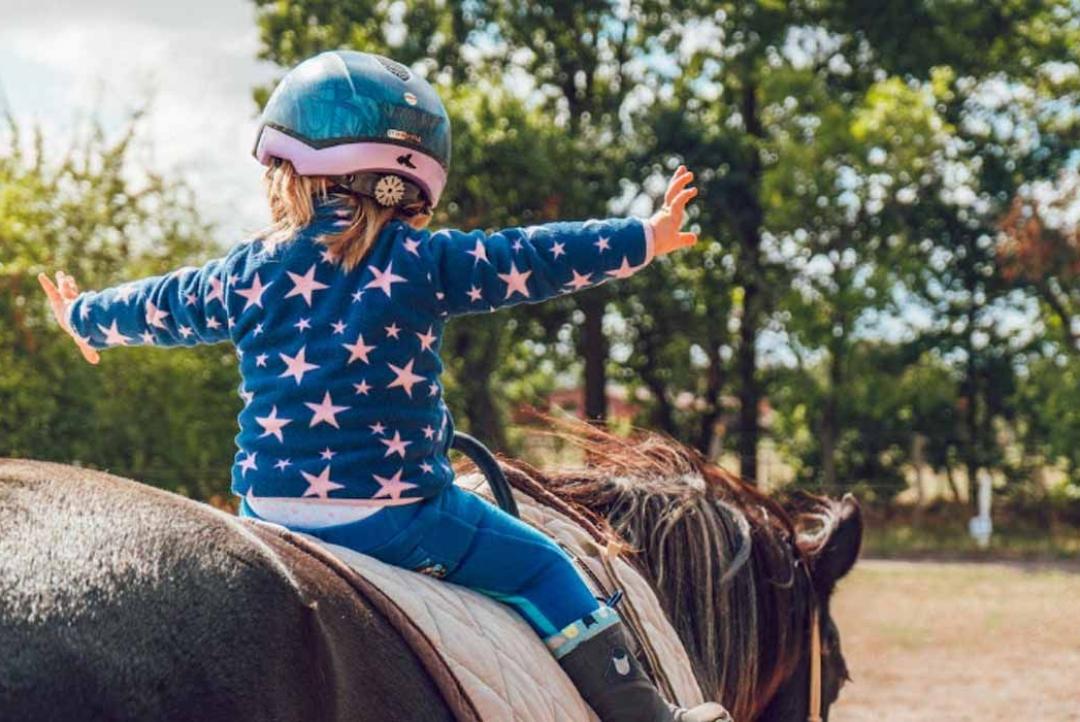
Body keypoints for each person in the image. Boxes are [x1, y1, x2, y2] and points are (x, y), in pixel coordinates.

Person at [39, 50, 727, 722]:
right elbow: (532, 255)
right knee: (542, 567)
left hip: (268, 511)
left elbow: (166, 302)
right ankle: (648, 714)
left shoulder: (245, 271)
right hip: (395, 515)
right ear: (415, 185)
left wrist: (86, 317)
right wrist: (643, 237)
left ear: (288, 171)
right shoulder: (423, 261)